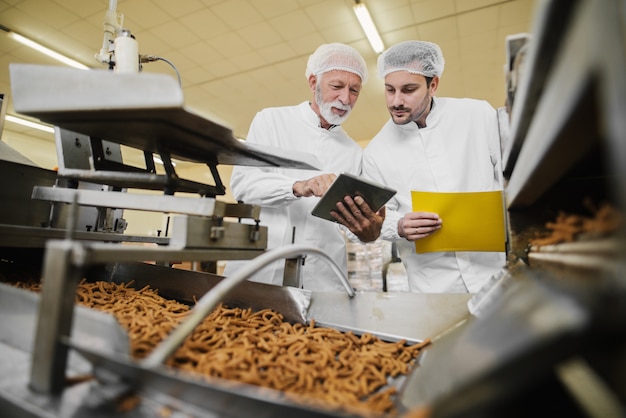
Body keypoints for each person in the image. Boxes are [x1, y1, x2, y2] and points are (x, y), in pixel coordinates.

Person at [222, 43, 383, 291]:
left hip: (322, 278)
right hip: (260, 269)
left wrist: (368, 231)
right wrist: (299, 186)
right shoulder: (272, 120)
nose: (346, 98)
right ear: (313, 82)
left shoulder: (353, 152)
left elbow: (349, 226)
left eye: (355, 91)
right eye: (337, 86)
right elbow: (244, 185)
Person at [361, 40, 506, 293]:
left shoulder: (476, 115)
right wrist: (399, 225)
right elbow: (373, 217)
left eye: (408, 90)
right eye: (389, 90)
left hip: (493, 274)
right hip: (433, 286)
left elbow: (511, 175)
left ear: (433, 84)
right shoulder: (376, 151)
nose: (396, 101)